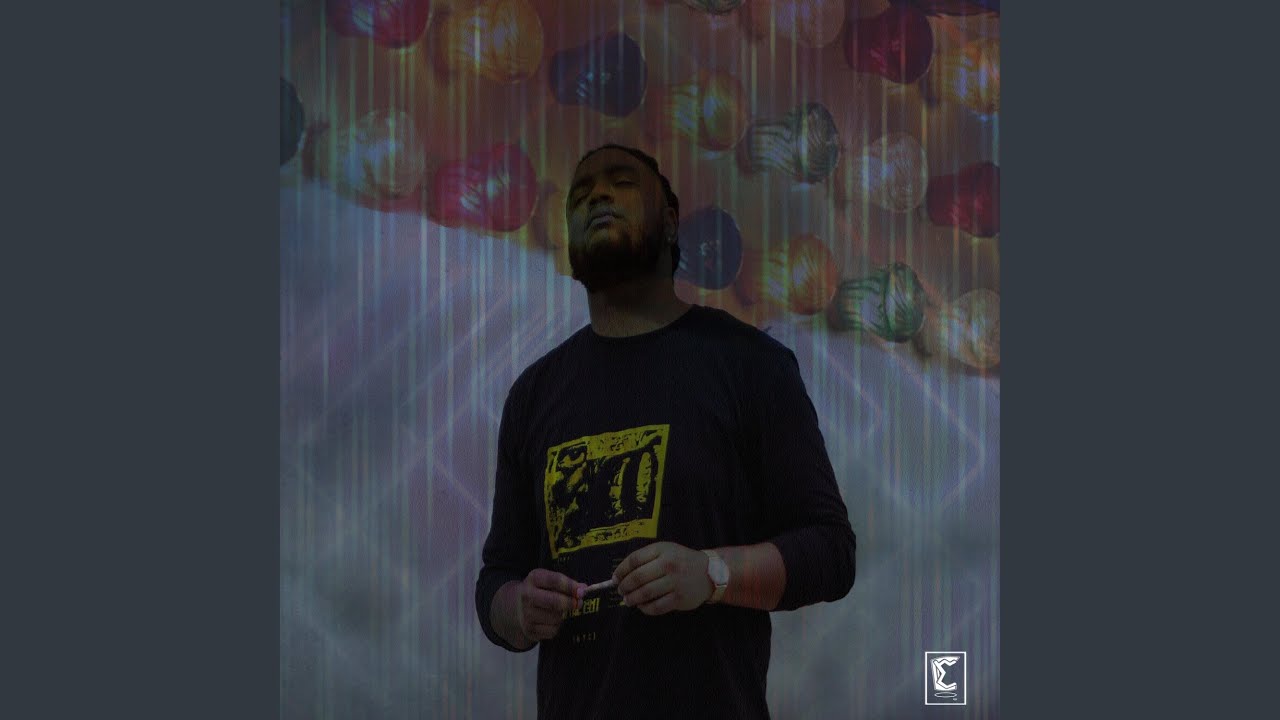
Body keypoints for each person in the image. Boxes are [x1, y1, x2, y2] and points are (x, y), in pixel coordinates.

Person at [475, 144, 856, 719]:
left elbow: (830, 553)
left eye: (621, 182)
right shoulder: (533, 395)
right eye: (580, 195)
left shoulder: (750, 364)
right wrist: (520, 610)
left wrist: (712, 574)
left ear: (672, 221)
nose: (598, 196)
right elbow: (496, 582)